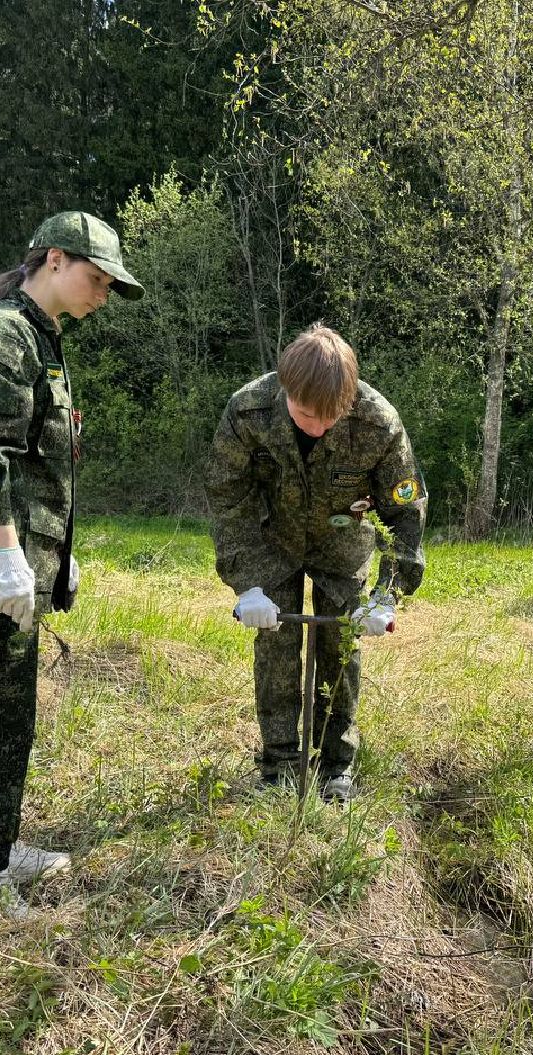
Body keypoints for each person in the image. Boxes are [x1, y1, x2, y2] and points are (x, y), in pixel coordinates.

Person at [0, 211, 143, 909]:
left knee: (11, 715)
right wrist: (8, 559)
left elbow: (39, 468)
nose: (103, 295)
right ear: (55, 259)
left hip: (15, 563)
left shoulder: (40, 339)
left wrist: (54, 556)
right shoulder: (1, 339)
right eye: (98, 279)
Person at [205, 323, 425, 804]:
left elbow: (404, 513)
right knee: (275, 649)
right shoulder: (248, 411)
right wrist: (247, 584)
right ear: (286, 389)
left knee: (340, 649)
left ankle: (335, 765)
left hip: (343, 547)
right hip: (272, 545)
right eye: (307, 415)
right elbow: (228, 498)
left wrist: (386, 595)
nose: (319, 428)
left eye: (332, 418)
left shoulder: (379, 424)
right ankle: (279, 765)